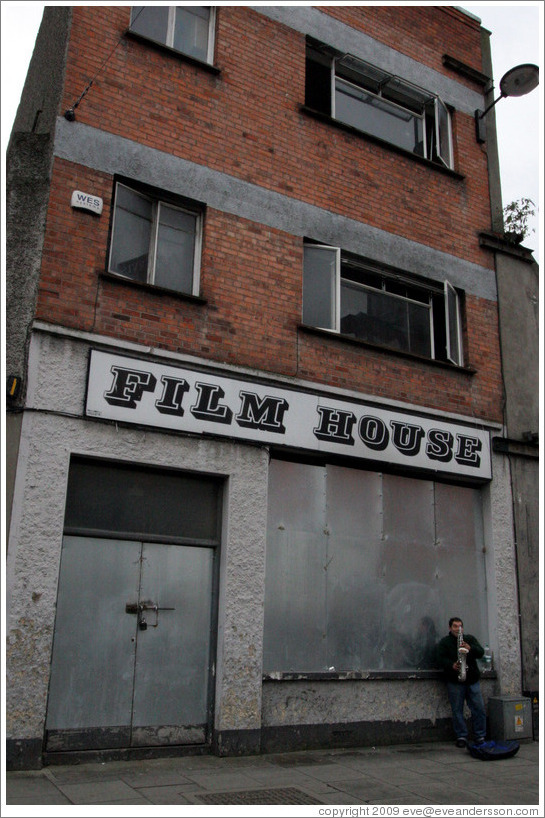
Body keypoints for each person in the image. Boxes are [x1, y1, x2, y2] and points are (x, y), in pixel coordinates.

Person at [436, 616, 487, 748]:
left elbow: (480, 652)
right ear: (450, 628)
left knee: (479, 708)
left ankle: (480, 735)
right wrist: (451, 665)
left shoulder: (469, 639)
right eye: (455, 626)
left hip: (471, 680)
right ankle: (461, 736)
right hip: (455, 681)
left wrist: (470, 648)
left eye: (460, 626)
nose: (458, 629)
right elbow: (439, 658)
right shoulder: (445, 642)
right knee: (457, 710)